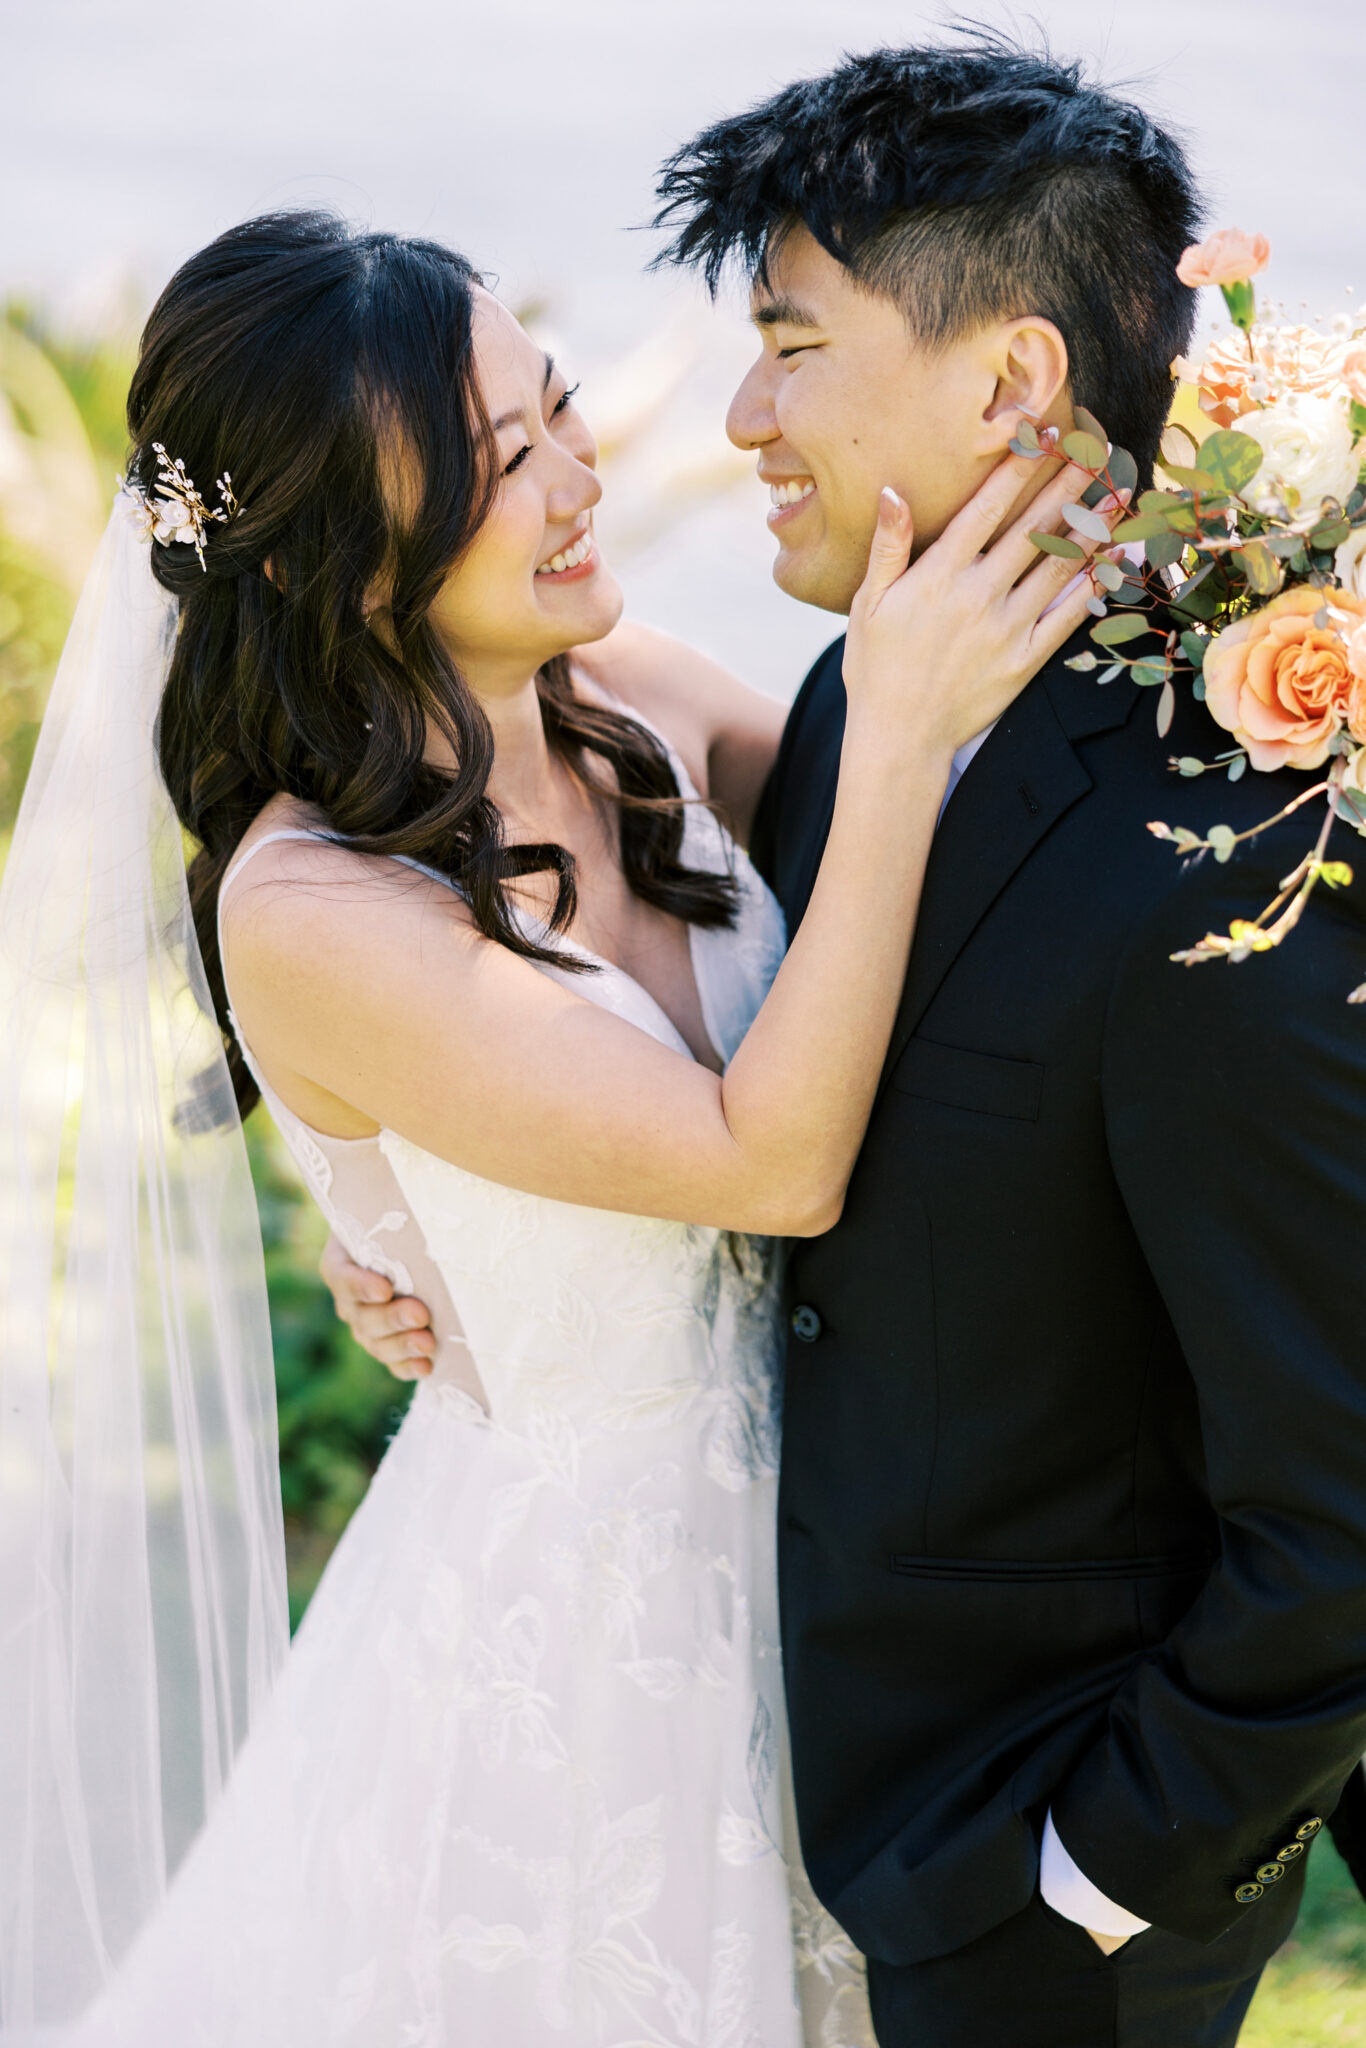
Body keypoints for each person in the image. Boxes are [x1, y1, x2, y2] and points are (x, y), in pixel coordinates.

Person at [327, 36, 1366, 2048]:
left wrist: (1105, 1873)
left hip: (1043, 1891)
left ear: (1005, 385)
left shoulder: (1222, 850)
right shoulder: (843, 711)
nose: (736, 415)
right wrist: (429, 1211)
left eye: (788, 344)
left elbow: (1337, 1485)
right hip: (765, 1795)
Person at [0, 206, 1120, 2047]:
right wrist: (898, 731)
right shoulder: (313, 912)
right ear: (346, 557)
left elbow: (955, 903)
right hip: (586, 1646)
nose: (578, 477)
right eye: (502, 464)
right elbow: (770, 1158)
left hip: (849, 1563)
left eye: (557, 410)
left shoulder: (633, 702)